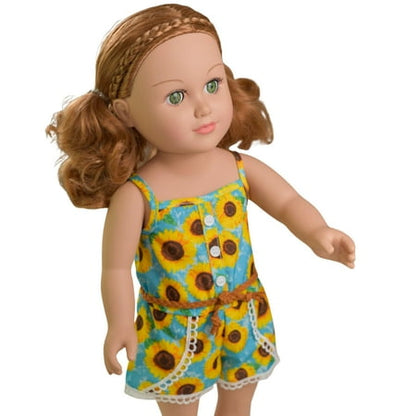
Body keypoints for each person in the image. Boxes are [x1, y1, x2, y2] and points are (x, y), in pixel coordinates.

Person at [46, 4, 355, 416]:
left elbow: (286, 203)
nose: (204, 107)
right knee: (180, 406)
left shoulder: (238, 168)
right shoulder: (138, 194)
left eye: (212, 84)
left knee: (239, 399)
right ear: (125, 112)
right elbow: (115, 268)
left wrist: (318, 231)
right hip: (173, 330)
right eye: (176, 96)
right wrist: (118, 322)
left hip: (242, 315)